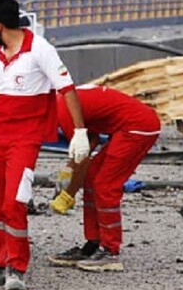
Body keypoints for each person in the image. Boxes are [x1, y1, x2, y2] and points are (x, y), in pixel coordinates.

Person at [0, 0, 91, 290]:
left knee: (14, 202)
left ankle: (16, 267)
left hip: (24, 139)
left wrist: (79, 131)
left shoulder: (40, 50)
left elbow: (67, 90)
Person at [48, 85, 161, 272]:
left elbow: (83, 155)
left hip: (137, 127)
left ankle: (110, 250)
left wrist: (68, 195)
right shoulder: (63, 101)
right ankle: (93, 244)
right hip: (132, 125)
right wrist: (70, 169)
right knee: (92, 177)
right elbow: (90, 140)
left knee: (105, 185)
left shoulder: (63, 110)